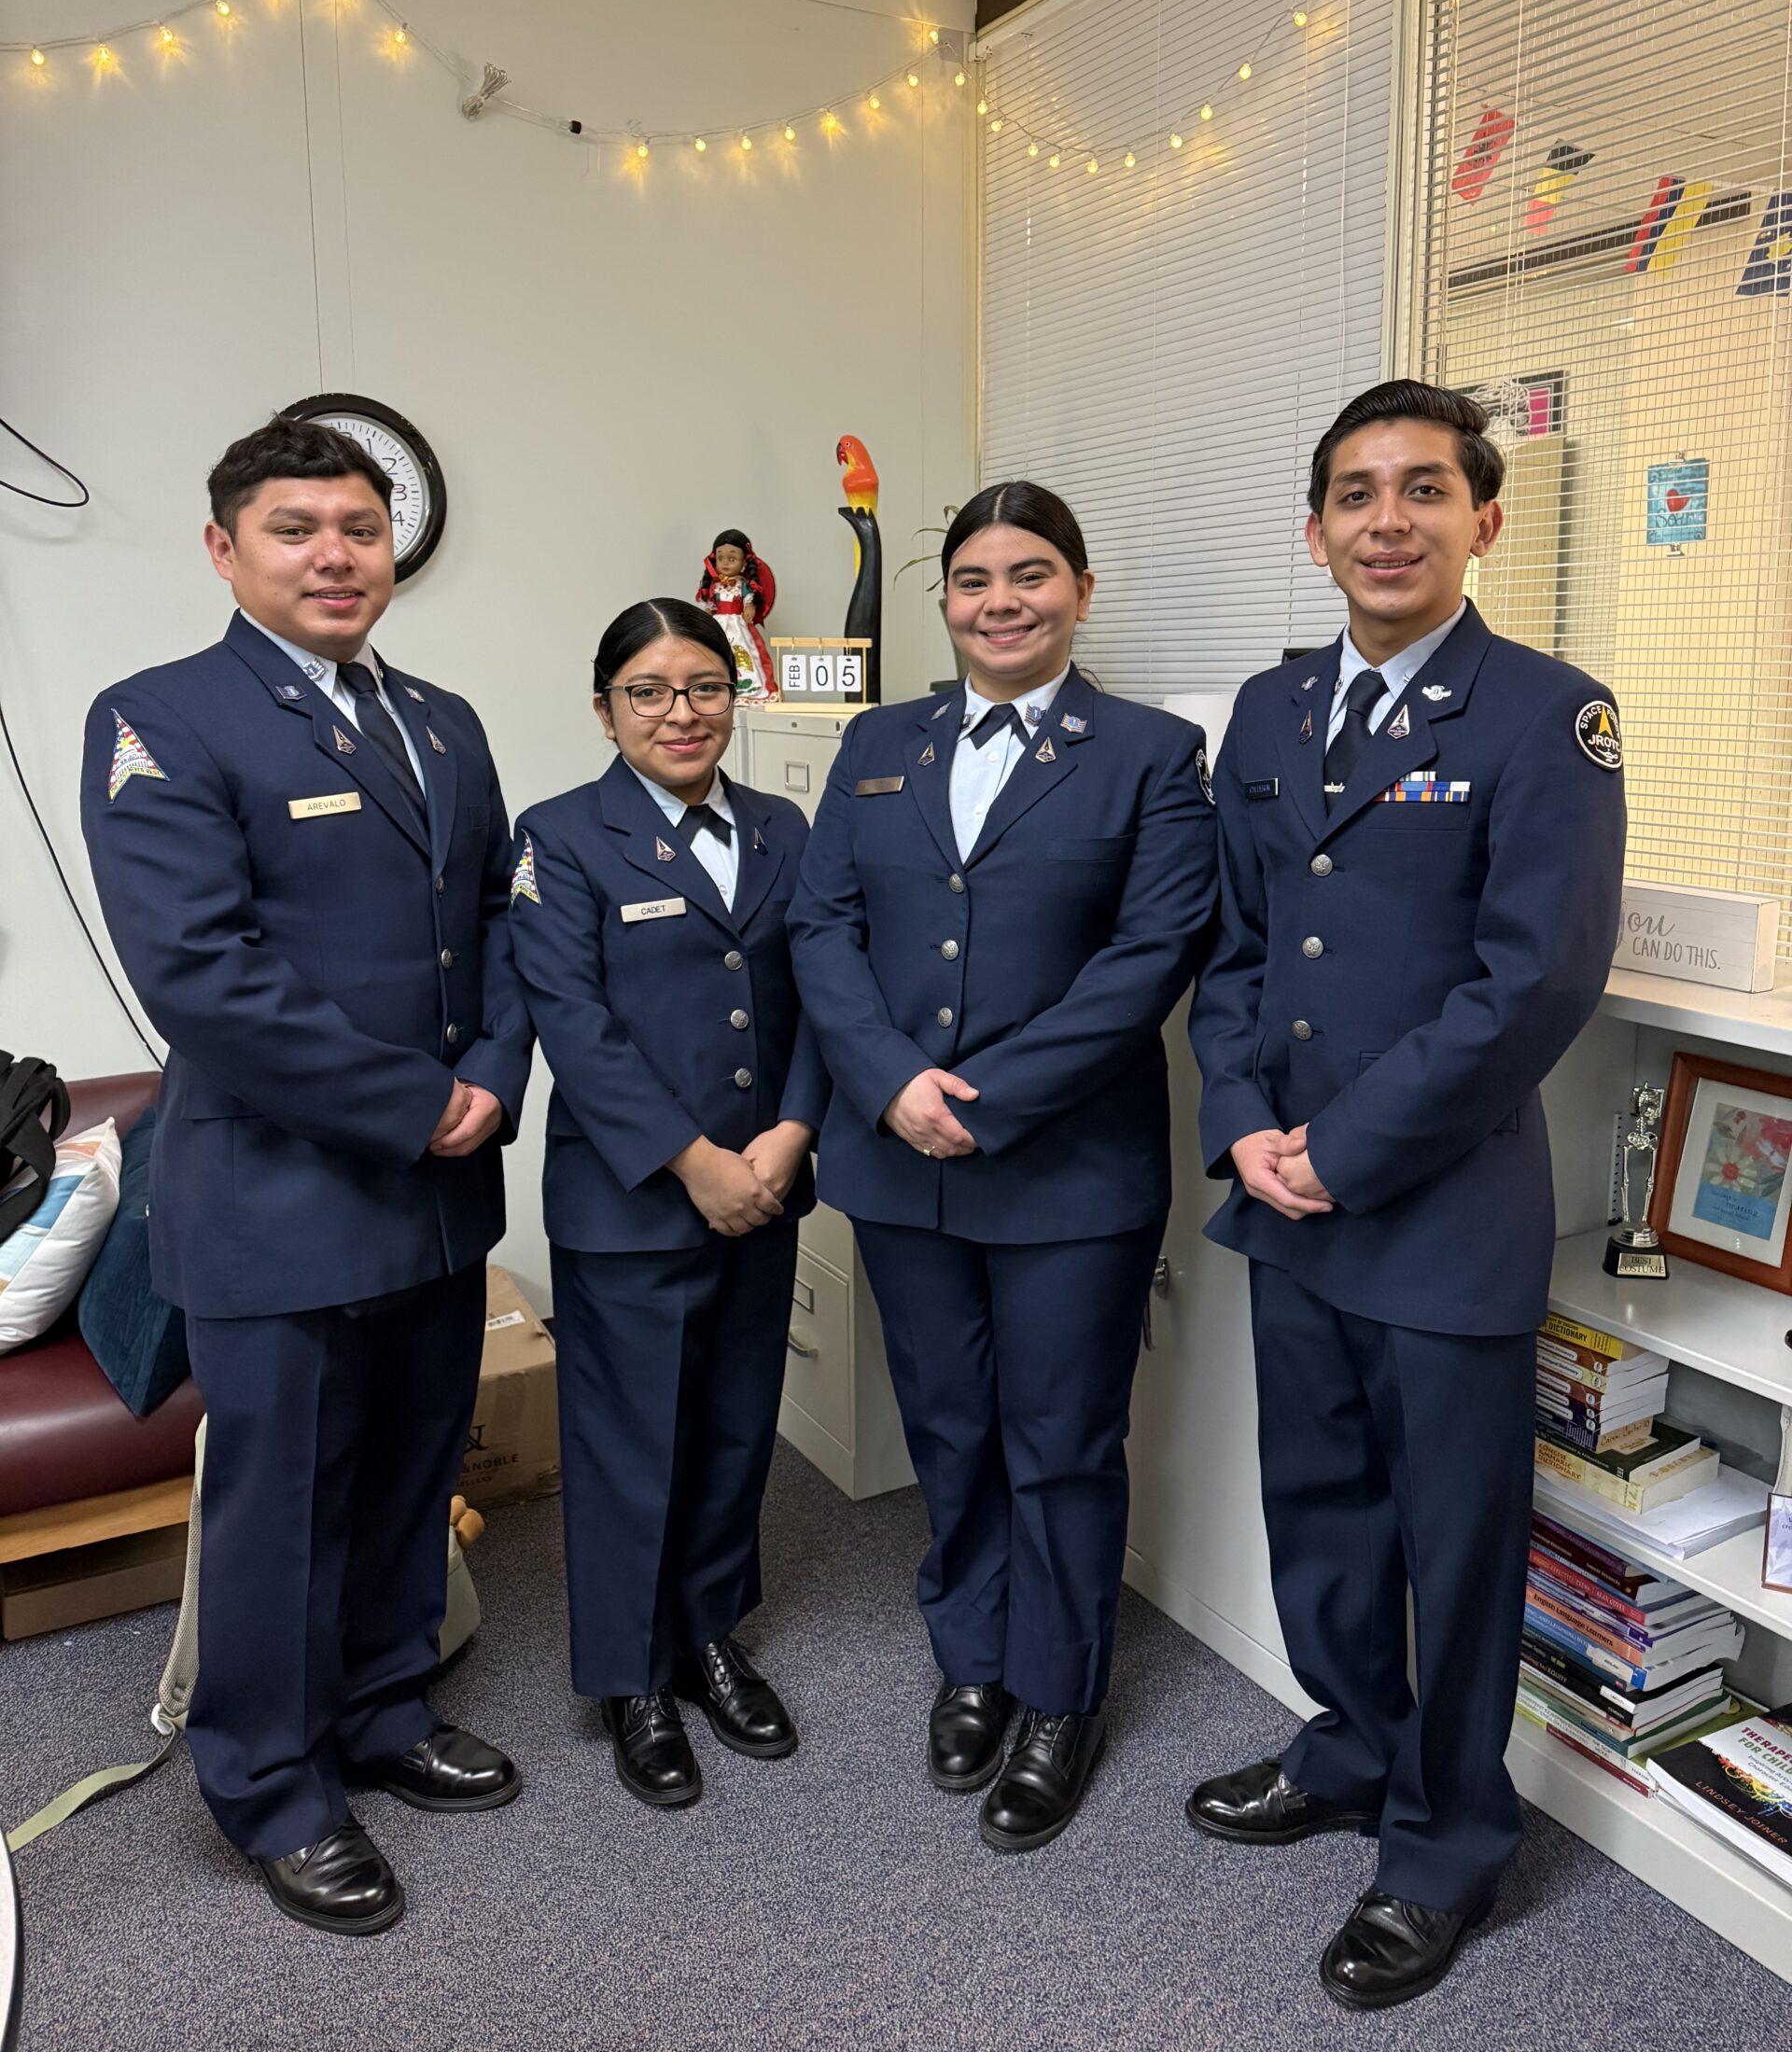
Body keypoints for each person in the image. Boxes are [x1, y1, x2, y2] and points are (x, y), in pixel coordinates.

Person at [1185, 381, 1626, 2009]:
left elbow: (1531, 985)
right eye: (1357, 495)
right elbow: (1235, 950)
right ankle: (1354, 1747)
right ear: (1316, 532)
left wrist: (1338, 1147)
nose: (1389, 520)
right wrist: (1242, 1125)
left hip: (1433, 1212)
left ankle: (1444, 1845)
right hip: (1286, 1202)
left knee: (1456, 1546)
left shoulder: (1546, 715)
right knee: (1323, 1512)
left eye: (1423, 490)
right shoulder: (1276, 708)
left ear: (1483, 520)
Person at [79, 415, 532, 1937]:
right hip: (281, 1199)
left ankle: (391, 1713)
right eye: (296, 528)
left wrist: (496, 1076)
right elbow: (204, 982)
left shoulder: (446, 719)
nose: (335, 553)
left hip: (436, 1193)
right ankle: (273, 1789)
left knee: (415, 1473)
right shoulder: (162, 720)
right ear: (227, 550)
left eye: (358, 527)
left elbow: (496, 924)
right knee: (280, 1509)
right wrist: (422, 1103)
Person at [788, 481, 1218, 1851]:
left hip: (1067, 1170)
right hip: (899, 1156)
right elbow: (823, 929)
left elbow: (1152, 956)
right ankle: (971, 1652)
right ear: (948, 602)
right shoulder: (878, 745)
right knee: (951, 1426)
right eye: (974, 579)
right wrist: (889, 1082)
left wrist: (993, 1098)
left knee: (1062, 1438)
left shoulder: (1151, 754)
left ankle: (1057, 1695)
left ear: (1080, 592)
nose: (1001, 601)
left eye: (1032, 574)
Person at [508, 599, 828, 1807]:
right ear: (605, 710)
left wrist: (792, 1135)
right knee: (629, 1441)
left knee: (736, 1426)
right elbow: (572, 1028)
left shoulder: (783, 828)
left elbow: (818, 993)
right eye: (649, 692)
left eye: (702, 687)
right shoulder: (559, 838)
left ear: (731, 700)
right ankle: (631, 1676)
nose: (680, 712)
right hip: (635, 1199)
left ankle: (707, 1635)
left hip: (770, 1186)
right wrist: (698, 1163)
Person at [696, 529, 777, 702]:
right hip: (718, 625)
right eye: (720, 558)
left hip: (738, 625)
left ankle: (749, 687)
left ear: (743, 563)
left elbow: (749, 600)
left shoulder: (743, 585)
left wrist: (749, 607)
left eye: (732, 559)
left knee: (743, 652)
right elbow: (710, 605)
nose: (725, 563)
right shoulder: (714, 586)